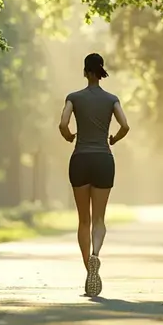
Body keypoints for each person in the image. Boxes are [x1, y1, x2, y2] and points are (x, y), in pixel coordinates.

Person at [58, 52, 130, 297]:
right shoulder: (112, 99)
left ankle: (87, 268)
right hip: (103, 159)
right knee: (99, 219)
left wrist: (69, 137)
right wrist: (114, 139)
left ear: (85, 72)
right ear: (101, 72)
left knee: (83, 220)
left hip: (80, 160)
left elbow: (63, 123)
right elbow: (125, 126)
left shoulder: (73, 98)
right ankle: (96, 255)